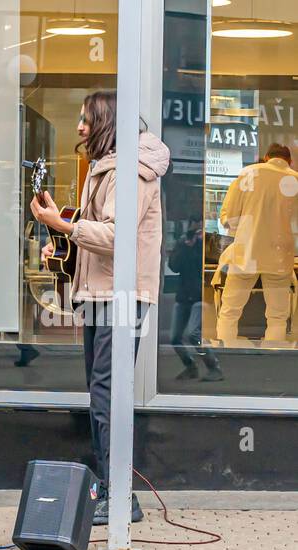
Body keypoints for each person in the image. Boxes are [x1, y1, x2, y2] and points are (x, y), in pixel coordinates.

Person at [31, 90, 169, 526]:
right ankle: (113, 490)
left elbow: (115, 237)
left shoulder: (132, 171)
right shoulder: (105, 168)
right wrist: (64, 226)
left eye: (87, 119)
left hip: (121, 297)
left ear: (107, 121)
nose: (79, 127)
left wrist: (62, 225)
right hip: (99, 294)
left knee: (108, 395)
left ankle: (122, 496)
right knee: (101, 393)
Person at [215, 143, 298, 347]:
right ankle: (272, 360)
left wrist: (244, 228)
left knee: (230, 311)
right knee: (278, 316)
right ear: (290, 161)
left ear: (266, 157)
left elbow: (228, 218)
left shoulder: (248, 174)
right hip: (281, 257)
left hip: (246, 253)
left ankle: (226, 355)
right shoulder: (295, 180)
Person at [168, 226, 223, 381]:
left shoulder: (205, 244)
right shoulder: (183, 244)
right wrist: (183, 246)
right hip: (183, 296)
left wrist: (197, 245)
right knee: (175, 337)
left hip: (201, 296)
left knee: (193, 334)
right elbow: (174, 266)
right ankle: (190, 367)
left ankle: (214, 367)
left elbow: (209, 264)